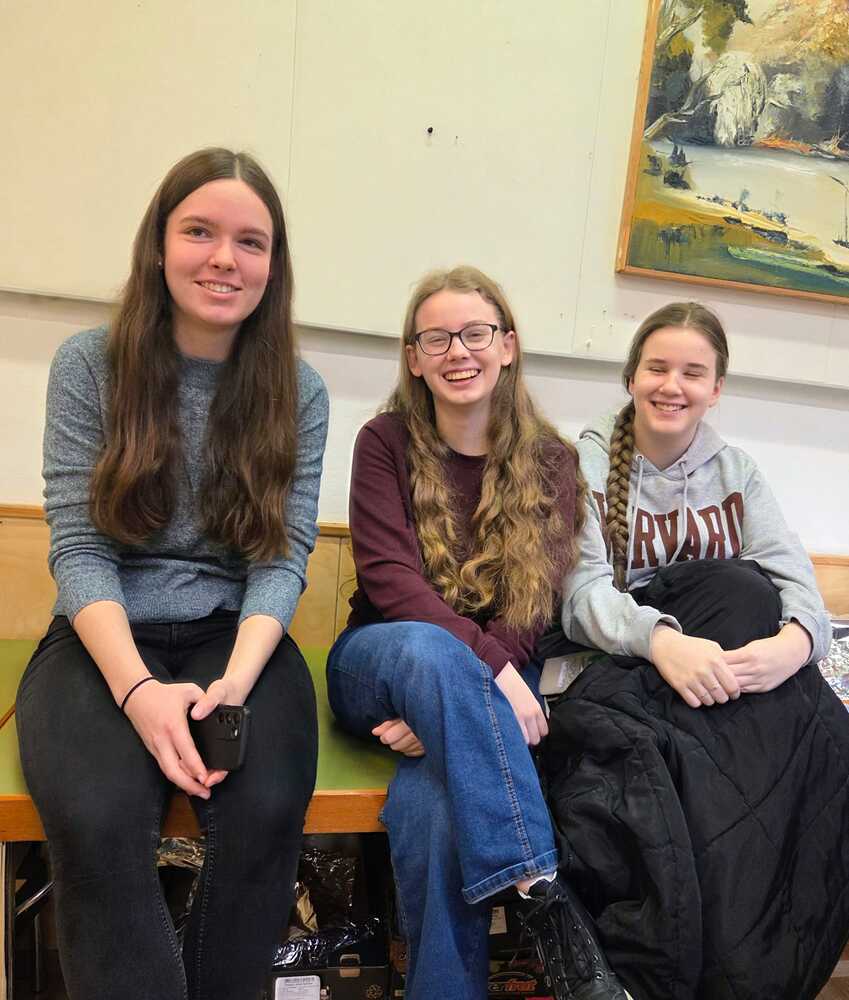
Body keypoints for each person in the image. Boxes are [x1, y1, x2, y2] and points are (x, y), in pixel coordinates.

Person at [15, 148, 328, 1000]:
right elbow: (80, 550)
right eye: (199, 232)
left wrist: (235, 685)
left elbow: (281, 556)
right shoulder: (90, 364)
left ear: (273, 265)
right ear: (158, 245)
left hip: (235, 637)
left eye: (250, 242)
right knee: (96, 820)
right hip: (104, 633)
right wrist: (138, 692)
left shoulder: (297, 390)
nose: (224, 258)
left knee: (266, 812)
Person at [325, 265, 629, 1000]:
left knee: (432, 809)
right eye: (436, 338)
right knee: (429, 650)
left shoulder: (552, 462)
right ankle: (539, 889)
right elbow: (390, 581)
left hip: (476, 687)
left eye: (475, 333)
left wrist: (453, 702)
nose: (457, 351)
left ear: (508, 346)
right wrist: (482, 679)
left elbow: (528, 607)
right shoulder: (384, 441)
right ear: (413, 358)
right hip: (379, 661)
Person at [548, 301, 849, 999]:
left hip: (724, 676)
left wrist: (792, 647)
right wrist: (662, 643)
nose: (671, 386)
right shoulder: (579, 464)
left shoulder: (736, 470)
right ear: (631, 377)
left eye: (692, 373)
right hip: (630, 667)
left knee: (827, 742)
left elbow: (796, 584)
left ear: (716, 389)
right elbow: (581, 597)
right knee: (735, 595)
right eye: (657, 368)